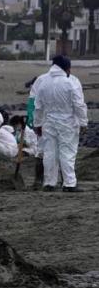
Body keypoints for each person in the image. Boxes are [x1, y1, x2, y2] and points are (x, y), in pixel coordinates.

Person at [33, 55, 88, 192]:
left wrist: (37, 124)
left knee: (50, 152)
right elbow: (78, 105)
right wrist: (83, 122)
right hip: (67, 122)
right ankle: (69, 184)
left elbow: (38, 106)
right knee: (67, 152)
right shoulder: (71, 83)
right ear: (66, 68)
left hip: (49, 121)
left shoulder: (43, 83)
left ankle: (49, 183)